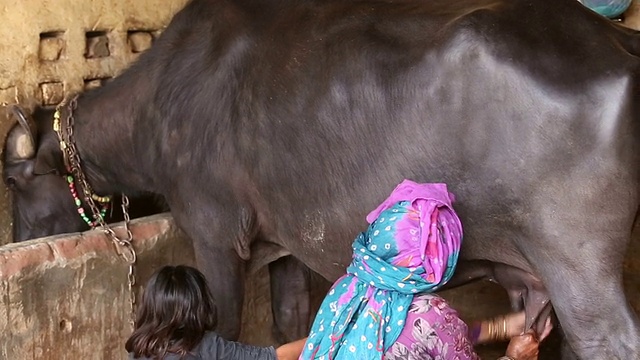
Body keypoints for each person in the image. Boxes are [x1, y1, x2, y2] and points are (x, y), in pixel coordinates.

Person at [299, 179, 551, 360]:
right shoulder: (430, 313)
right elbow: (430, 333)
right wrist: (515, 357)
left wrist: (499, 328)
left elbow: (423, 340)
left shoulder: (345, 290)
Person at [125, 265, 307, 360]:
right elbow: (276, 357)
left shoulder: (138, 349)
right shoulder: (205, 346)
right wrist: (329, 331)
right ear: (198, 305)